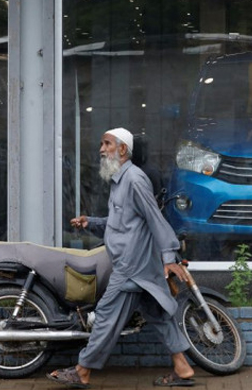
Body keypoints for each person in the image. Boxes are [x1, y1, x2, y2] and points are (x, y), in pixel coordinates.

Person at [47, 127, 195, 388]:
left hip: (131, 266)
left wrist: (170, 256)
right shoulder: (120, 181)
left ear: (123, 149)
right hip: (140, 265)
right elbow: (121, 224)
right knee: (159, 315)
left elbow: (154, 219)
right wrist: (89, 223)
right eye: (102, 144)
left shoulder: (135, 181)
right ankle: (182, 368)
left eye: (107, 144)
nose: (101, 150)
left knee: (105, 315)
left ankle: (82, 371)